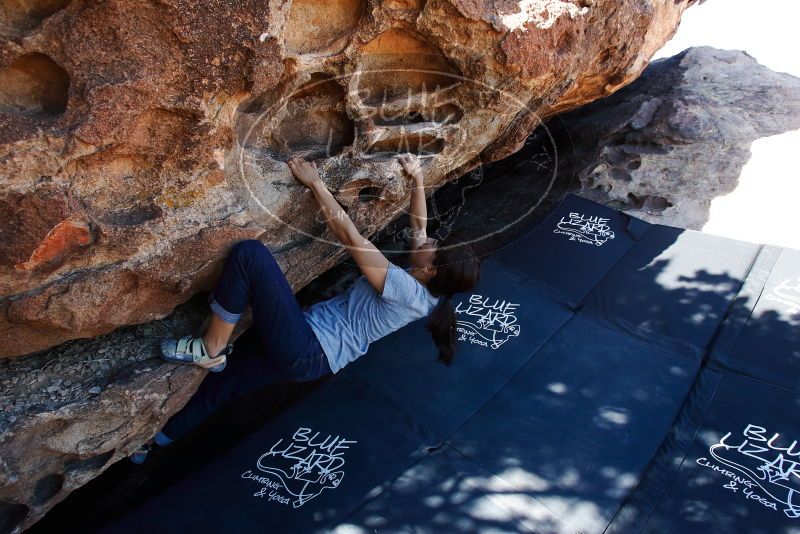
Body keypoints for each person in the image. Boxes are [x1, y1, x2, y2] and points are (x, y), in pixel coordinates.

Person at [129, 154, 480, 463]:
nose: (429, 239)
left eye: (435, 246)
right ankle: (154, 442)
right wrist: (417, 177)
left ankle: (211, 347)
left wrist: (316, 184)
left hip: (308, 347)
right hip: (312, 355)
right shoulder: (425, 286)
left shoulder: (407, 291)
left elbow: (350, 237)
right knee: (228, 382)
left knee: (251, 256)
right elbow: (419, 227)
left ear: (432, 270)